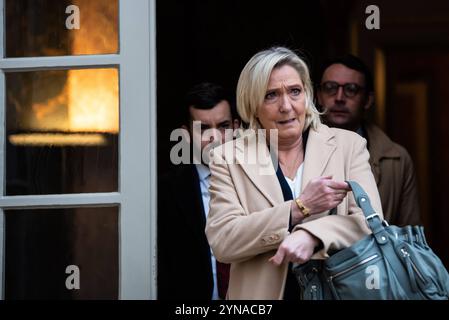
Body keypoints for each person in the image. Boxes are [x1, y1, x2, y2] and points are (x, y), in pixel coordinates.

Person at [205, 47, 383, 300]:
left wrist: (312, 236)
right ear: (252, 105)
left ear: (307, 96)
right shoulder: (227, 157)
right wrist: (297, 209)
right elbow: (223, 241)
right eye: (271, 95)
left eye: (294, 91)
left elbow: (369, 222)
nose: (286, 106)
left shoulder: (348, 146)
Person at [316, 54, 421, 226]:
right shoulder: (291, 147)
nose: (340, 97)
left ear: (368, 99)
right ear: (318, 95)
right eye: (330, 87)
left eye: (351, 89)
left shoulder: (397, 158)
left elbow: (409, 231)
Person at [157, 82, 239, 300]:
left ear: (236, 128)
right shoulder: (164, 193)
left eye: (223, 126)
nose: (215, 137)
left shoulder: (260, 182)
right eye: (203, 128)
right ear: (186, 134)